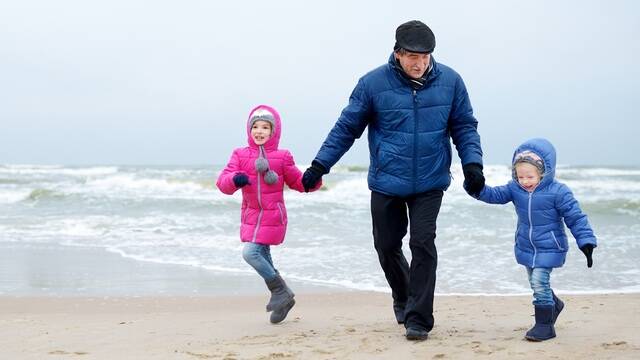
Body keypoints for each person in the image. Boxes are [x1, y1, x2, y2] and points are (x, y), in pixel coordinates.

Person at [301, 20, 485, 341]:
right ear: (398, 53)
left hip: (430, 179)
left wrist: (473, 165)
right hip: (387, 179)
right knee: (386, 246)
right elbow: (346, 129)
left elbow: (465, 126)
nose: (420, 63)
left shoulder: (451, 82)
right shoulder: (372, 84)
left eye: (425, 56)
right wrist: (320, 165)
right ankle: (403, 295)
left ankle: (418, 318)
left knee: (422, 243)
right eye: (413, 56)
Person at [473, 138, 597, 341]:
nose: (525, 181)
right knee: (535, 282)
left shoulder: (559, 192)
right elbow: (494, 195)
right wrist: (476, 188)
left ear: (543, 172)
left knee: (539, 282)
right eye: (520, 176)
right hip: (526, 245)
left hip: (549, 246)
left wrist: (586, 241)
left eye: (529, 176)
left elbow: (575, 217)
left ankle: (544, 326)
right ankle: (554, 305)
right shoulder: (515, 189)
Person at [216, 105, 322, 324]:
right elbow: (223, 183)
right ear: (249, 129)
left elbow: (297, 182)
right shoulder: (240, 154)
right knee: (262, 256)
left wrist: (313, 179)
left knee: (250, 253)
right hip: (251, 217)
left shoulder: (282, 157)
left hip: (273, 216)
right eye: (255, 126)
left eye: (265, 127)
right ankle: (285, 298)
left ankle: (280, 291)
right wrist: (235, 179)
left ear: (274, 131)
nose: (260, 131)